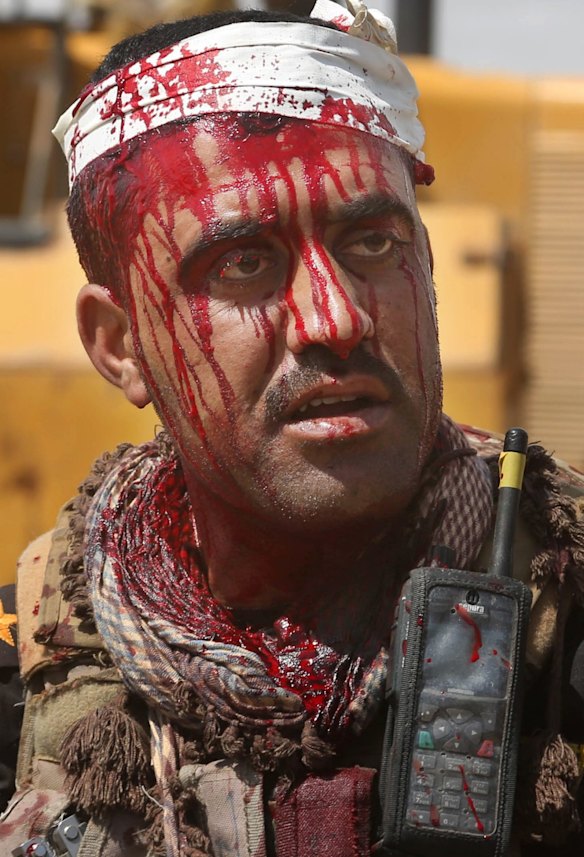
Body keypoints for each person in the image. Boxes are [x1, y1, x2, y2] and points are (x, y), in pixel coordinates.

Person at [2, 1, 584, 854]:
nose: (336, 318)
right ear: (123, 345)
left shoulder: (565, 613)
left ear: (427, 269)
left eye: (373, 244)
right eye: (244, 261)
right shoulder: (38, 658)